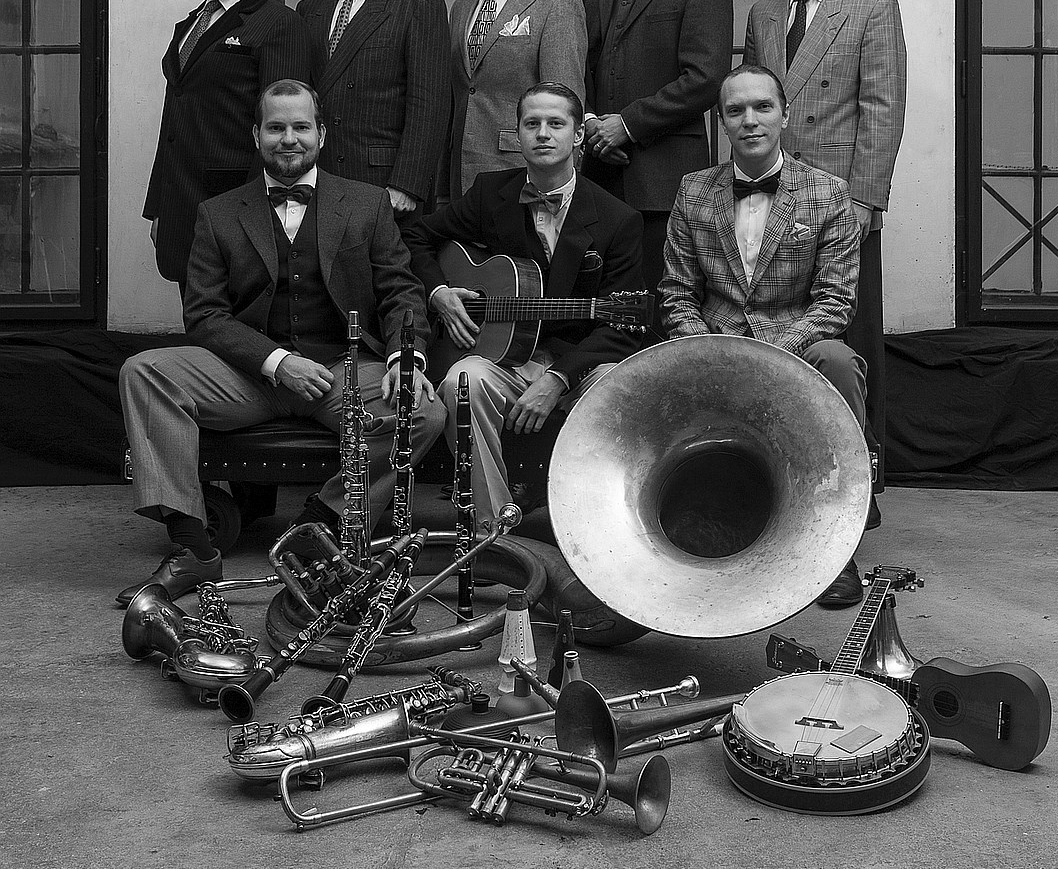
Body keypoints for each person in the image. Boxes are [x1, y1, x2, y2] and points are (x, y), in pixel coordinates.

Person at [116, 80, 445, 606]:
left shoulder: (366, 204)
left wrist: (406, 358)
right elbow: (204, 315)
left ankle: (319, 530)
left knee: (423, 411)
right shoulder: (218, 213)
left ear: (321, 134)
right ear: (256, 135)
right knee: (143, 371)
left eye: (300, 127)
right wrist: (276, 361)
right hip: (250, 374)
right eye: (275, 128)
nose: (288, 139)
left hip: (343, 371)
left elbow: (400, 291)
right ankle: (193, 548)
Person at [660, 64, 867, 606]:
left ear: (785, 116)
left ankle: (837, 546)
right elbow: (677, 292)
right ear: (722, 122)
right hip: (712, 344)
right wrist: (710, 348)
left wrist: (773, 353)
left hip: (796, 344)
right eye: (735, 111)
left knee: (839, 360)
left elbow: (835, 301)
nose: (749, 120)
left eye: (762, 107)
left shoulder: (829, 193)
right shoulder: (693, 191)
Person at [406, 83, 645, 523]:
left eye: (556, 123)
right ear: (517, 135)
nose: (543, 134)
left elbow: (622, 328)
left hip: (580, 364)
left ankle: (599, 525)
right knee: (462, 381)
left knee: (618, 386)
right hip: (507, 360)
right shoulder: (490, 193)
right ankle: (491, 527)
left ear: (578, 135)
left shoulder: (618, 219)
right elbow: (416, 236)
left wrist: (558, 377)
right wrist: (440, 294)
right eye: (531, 124)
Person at [743, 0, 906, 492]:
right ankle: (784, 474)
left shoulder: (871, 5)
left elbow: (883, 107)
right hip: (775, 194)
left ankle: (861, 477)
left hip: (842, 202)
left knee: (846, 341)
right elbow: (755, 103)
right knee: (776, 327)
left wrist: (864, 200)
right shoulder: (764, 13)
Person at [581, 0, 733, 309]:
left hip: (665, 180)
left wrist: (626, 125)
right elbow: (583, 69)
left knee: (662, 306)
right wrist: (591, 123)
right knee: (606, 307)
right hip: (601, 175)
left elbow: (705, 78)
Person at [144, 0, 310, 289]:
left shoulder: (279, 24)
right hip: (181, 210)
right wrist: (158, 208)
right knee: (195, 321)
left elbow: (283, 133)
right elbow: (173, 120)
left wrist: (261, 219)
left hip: (238, 214)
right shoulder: (190, 25)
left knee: (232, 324)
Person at [297, 0, 450, 220]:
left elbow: (429, 103)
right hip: (318, 178)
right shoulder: (311, 8)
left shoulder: (417, 2)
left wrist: (408, 184)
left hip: (384, 184)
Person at [447, 0, 587, 197]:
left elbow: (565, 106)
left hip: (522, 174)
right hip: (461, 174)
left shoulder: (557, 3)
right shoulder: (461, 7)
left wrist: (560, 189)